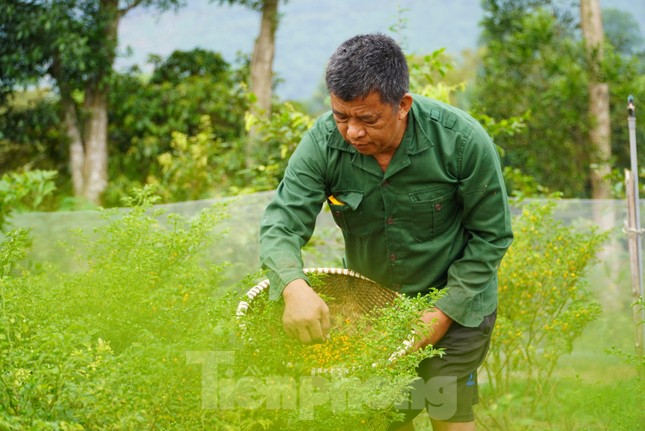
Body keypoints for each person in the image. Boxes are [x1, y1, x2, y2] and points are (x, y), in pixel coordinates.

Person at [259, 33, 513, 431]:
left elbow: (492, 236)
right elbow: (280, 226)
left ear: (403, 105)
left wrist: (442, 312)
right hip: (375, 314)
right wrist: (294, 286)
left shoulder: (461, 141)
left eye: (367, 119)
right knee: (380, 418)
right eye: (341, 116)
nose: (352, 132)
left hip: (459, 303)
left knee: (448, 411)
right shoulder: (322, 144)